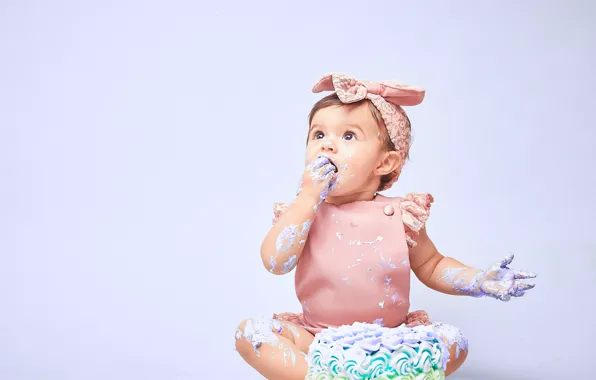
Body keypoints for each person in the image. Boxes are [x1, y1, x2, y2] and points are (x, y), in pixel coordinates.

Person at [234, 73, 537, 379]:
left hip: (390, 341)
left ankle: (374, 373)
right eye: (318, 135)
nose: (327, 147)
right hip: (317, 340)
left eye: (348, 136)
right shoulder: (303, 214)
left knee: (453, 341)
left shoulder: (401, 216)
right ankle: (324, 376)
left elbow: (433, 266)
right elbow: (275, 262)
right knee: (251, 334)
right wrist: (307, 197)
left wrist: (478, 281)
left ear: (385, 163)